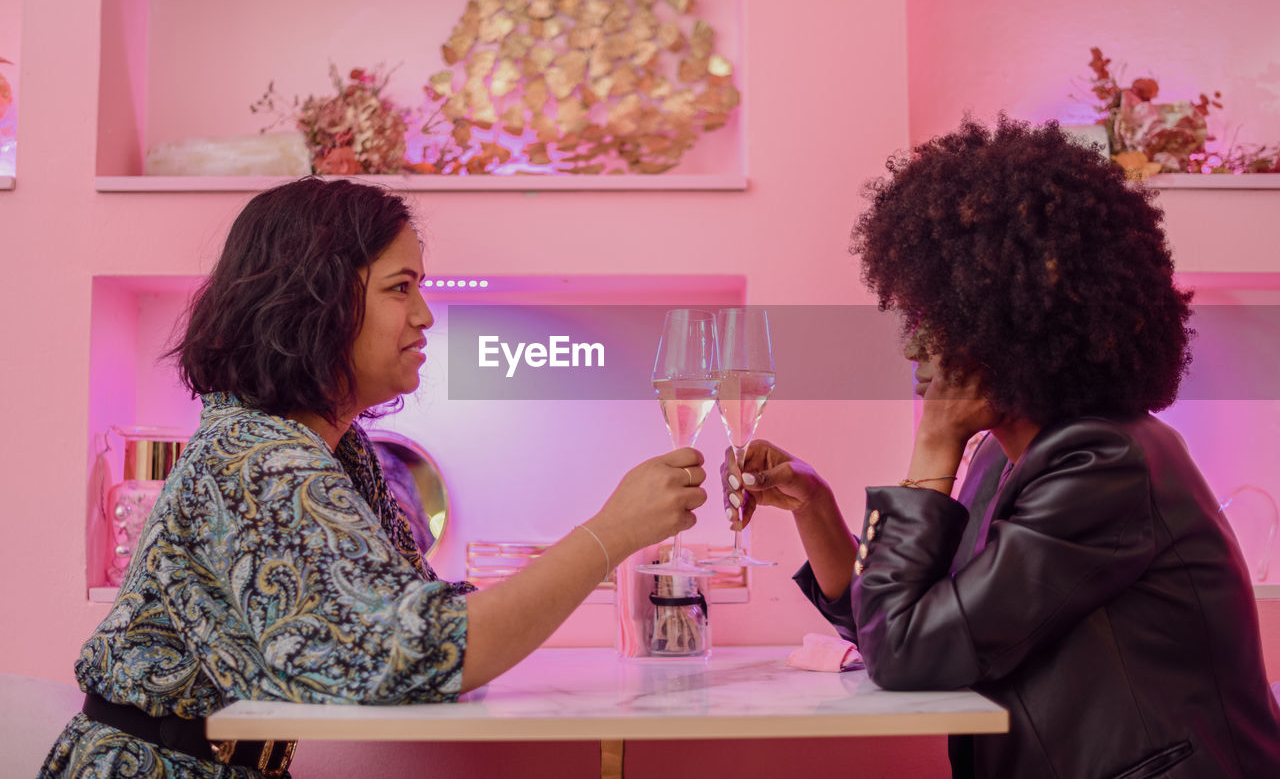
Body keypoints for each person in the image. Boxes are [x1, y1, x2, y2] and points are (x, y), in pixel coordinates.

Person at [41, 178, 706, 778]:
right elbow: (418, 653)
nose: (425, 316)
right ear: (317, 300)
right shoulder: (261, 460)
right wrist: (612, 533)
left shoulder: (336, 450)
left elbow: (422, 615)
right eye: (400, 286)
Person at [725, 117, 1280, 778]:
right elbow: (896, 627)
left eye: (941, 323)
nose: (913, 348)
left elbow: (908, 652)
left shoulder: (1104, 462)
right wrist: (814, 508)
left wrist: (933, 443)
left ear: (1017, 328)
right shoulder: (1003, 455)